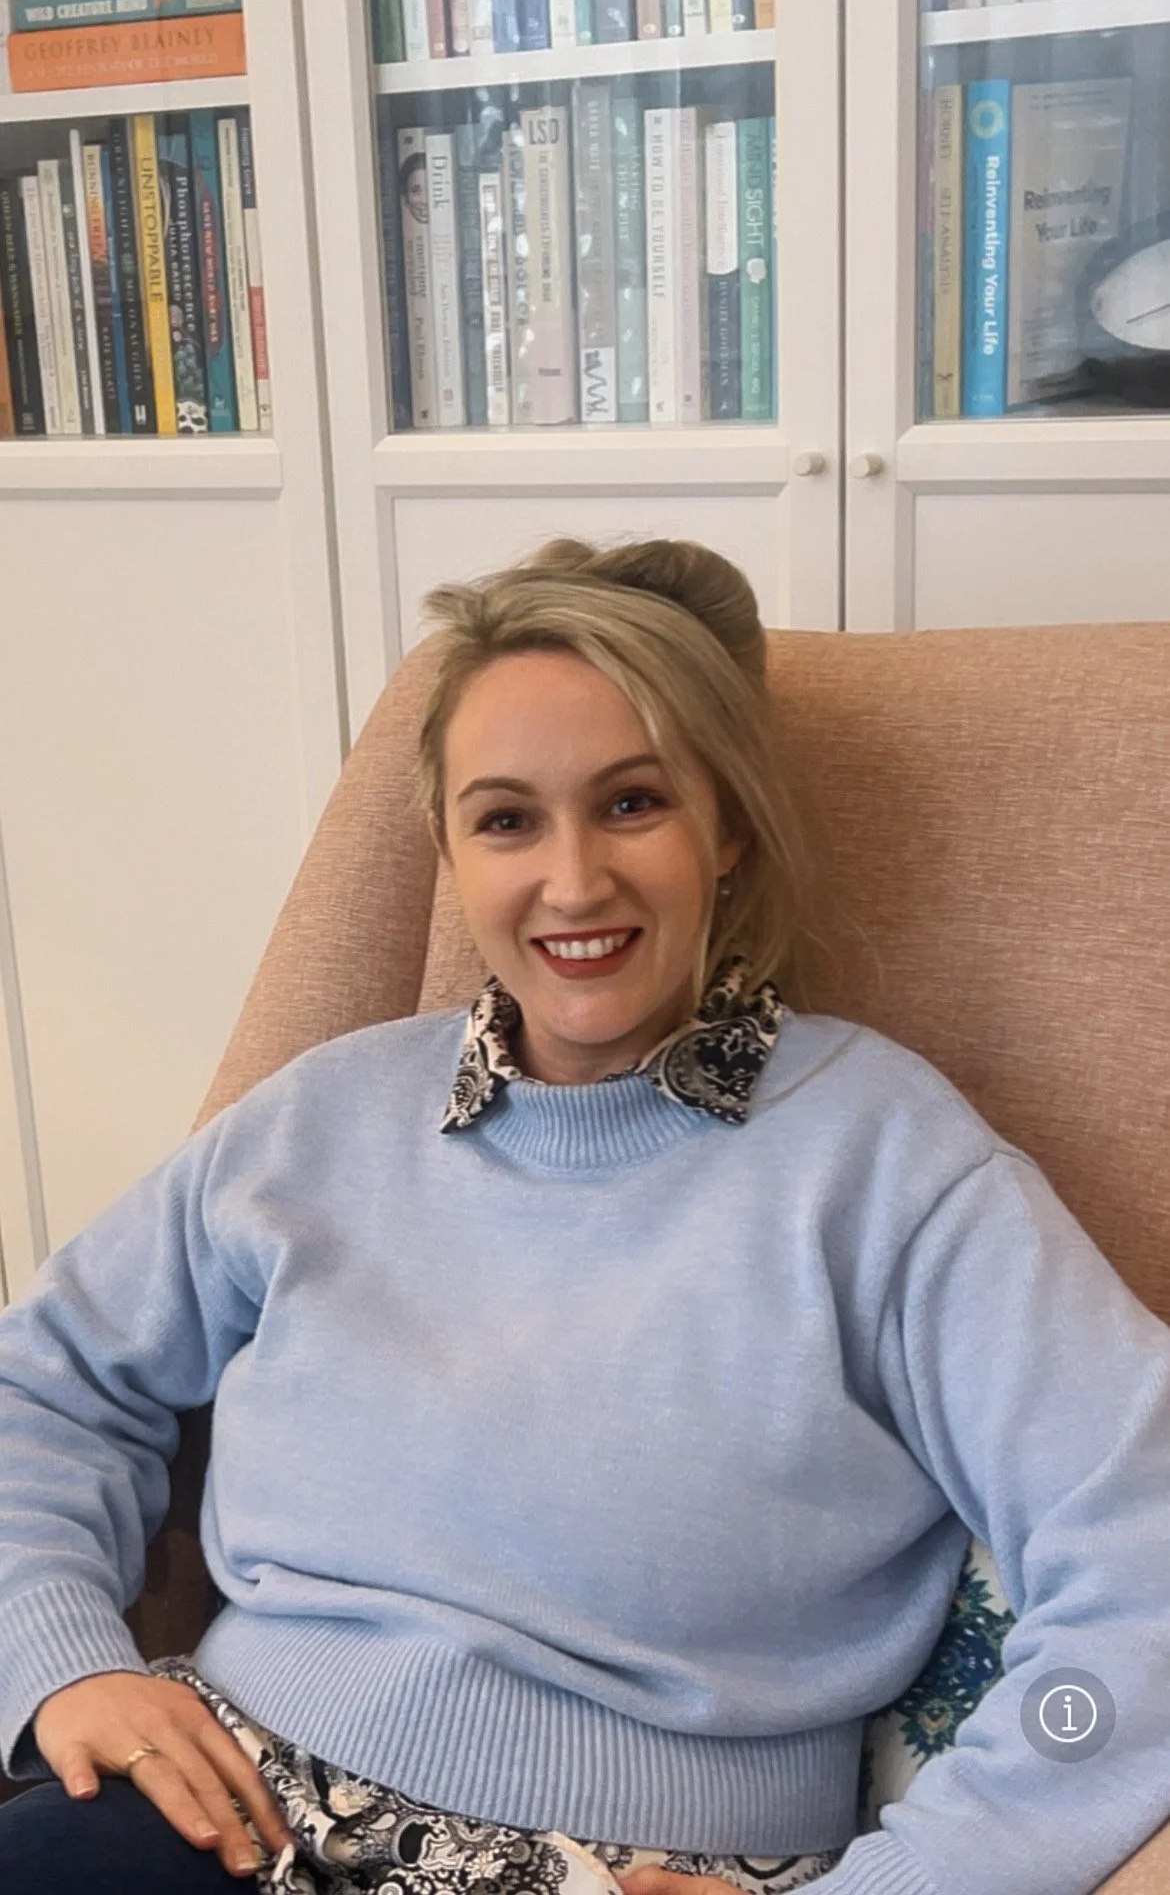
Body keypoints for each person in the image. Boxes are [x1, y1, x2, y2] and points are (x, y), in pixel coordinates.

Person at [0, 538, 1169, 1895]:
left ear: (726, 825)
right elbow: (48, 1378)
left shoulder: (892, 1166)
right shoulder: (319, 1116)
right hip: (219, 1810)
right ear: (445, 846)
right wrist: (59, 1649)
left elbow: (1143, 1555)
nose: (570, 883)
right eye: (505, 819)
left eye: (630, 804)